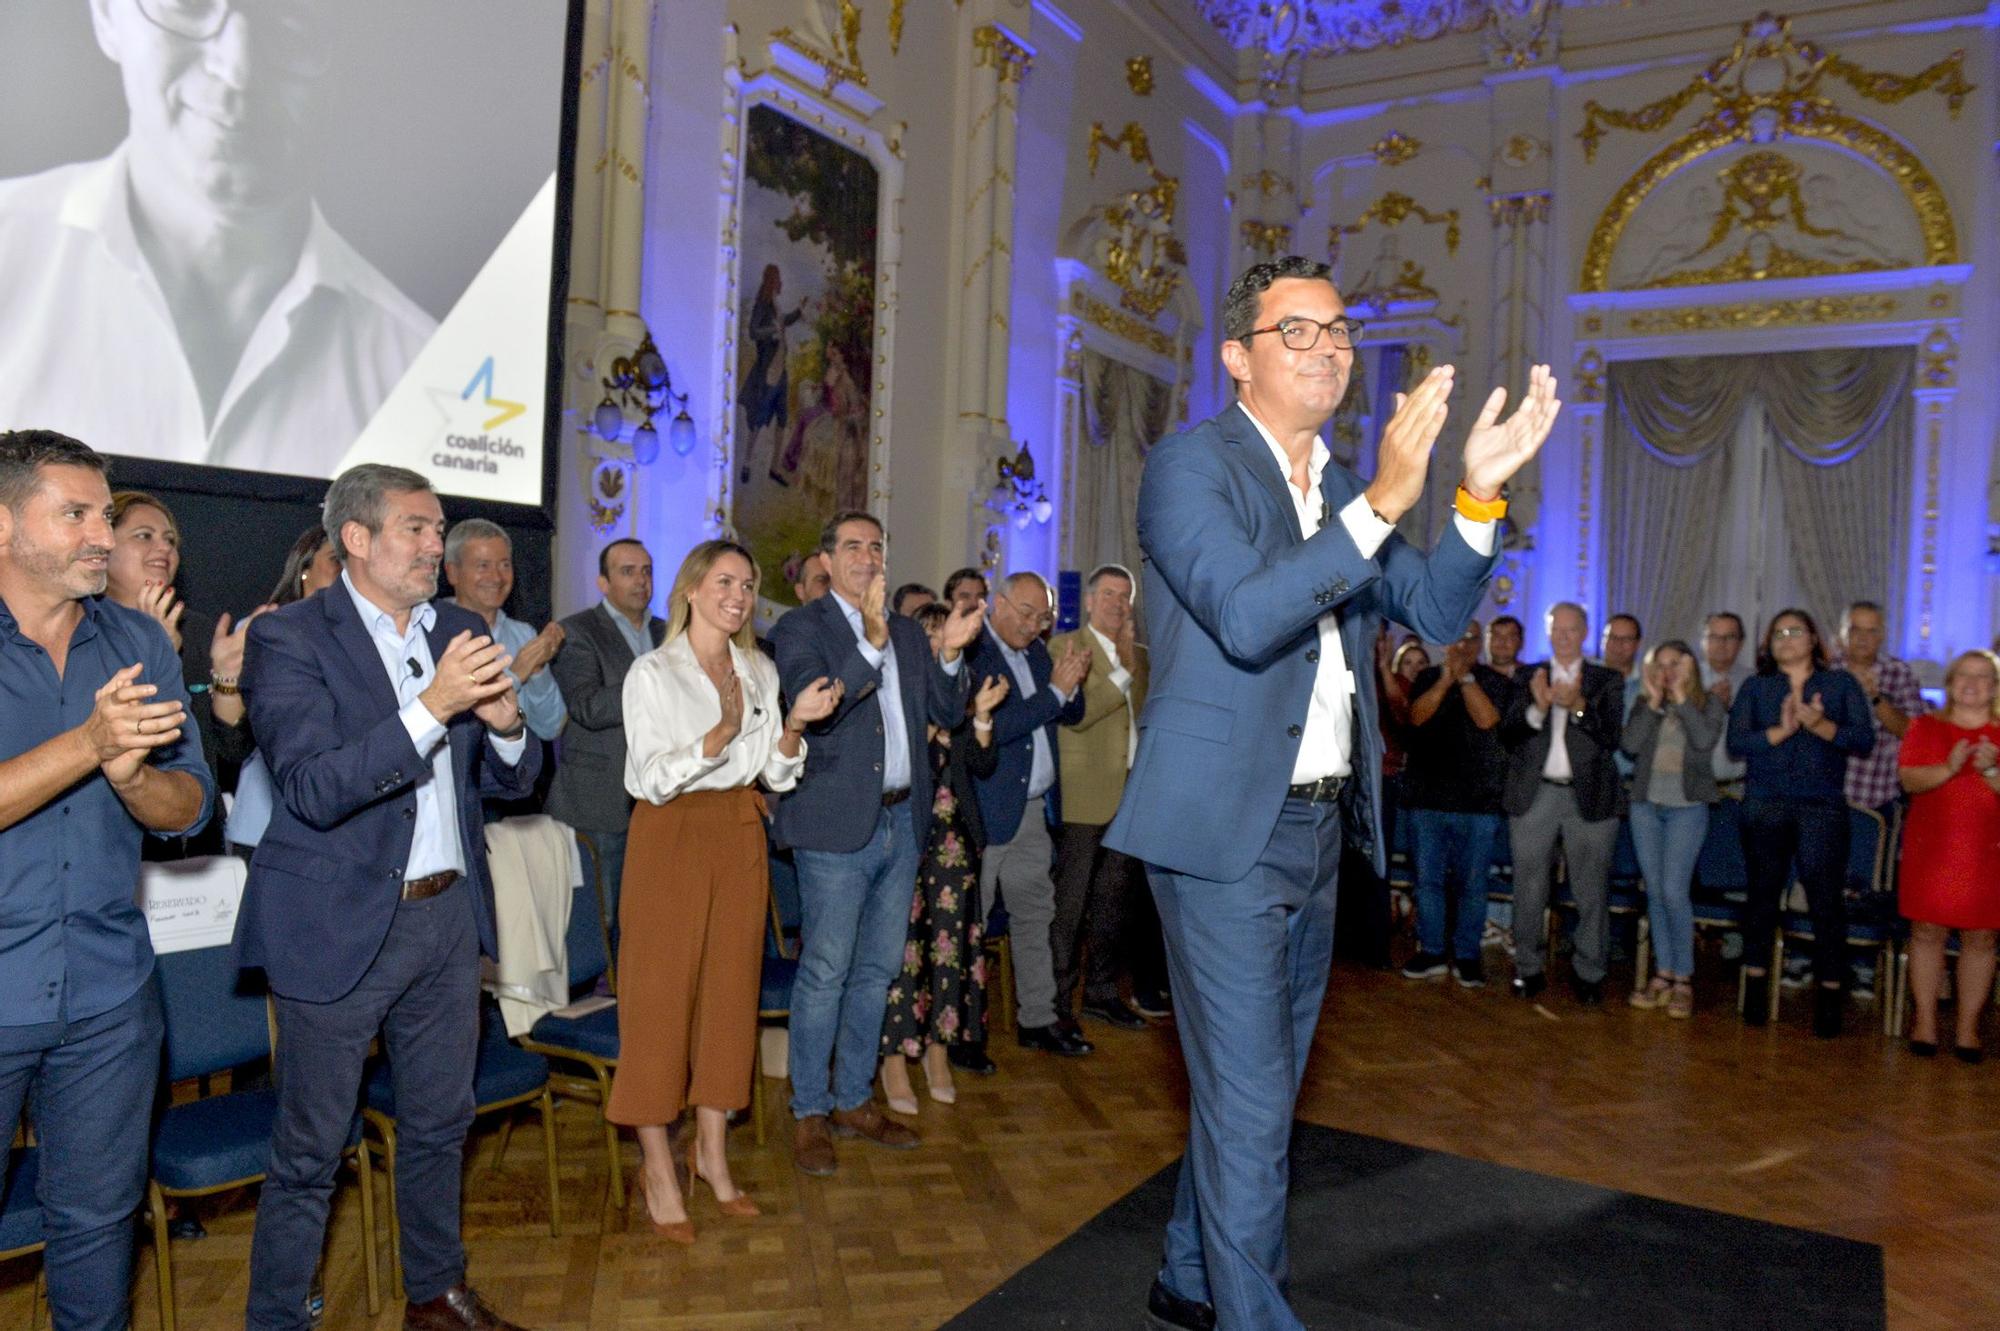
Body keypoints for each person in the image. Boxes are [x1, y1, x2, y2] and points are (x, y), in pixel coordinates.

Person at [1102, 256, 1558, 1331]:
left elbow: (1437, 609)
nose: (1326, 348)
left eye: (1338, 331)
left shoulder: (1346, 488)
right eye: (1295, 331)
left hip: (1318, 829)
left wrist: (1475, 492)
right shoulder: (1188, 469)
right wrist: (1386, 501)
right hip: (1217, 832)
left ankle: (1185, 1270)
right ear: (1236, 357)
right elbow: (1250, 615)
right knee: (1255, 1103)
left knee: (1250, 1091)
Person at [235, 463, 539, 1331]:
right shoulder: (290, 638)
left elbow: (513, 781)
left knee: (442, 1121)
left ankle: (435, 1294)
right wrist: (434, 707)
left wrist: (512, 728)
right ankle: (278, 1317)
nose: (435, 547)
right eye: (416, 529)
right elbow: (313, 787)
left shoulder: (454, 624)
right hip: (337, 922)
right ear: (357, 539)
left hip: (445, 918)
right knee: (311, 1151)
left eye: (439, 530)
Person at [0, 2, 435, 475]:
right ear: (106, 13)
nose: (238, 70)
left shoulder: (424, 376)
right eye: (190, 3)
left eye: (290, 22)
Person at [0, 429, 213, 1331]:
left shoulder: (136, 641)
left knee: (96, 1230)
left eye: (107, 515)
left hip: (109, 996)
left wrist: (132, 779)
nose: (101, 536)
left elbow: (190, 805)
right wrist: (89, 746)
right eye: (75, 514)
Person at [610, 540, 839, 1239]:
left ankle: (712, 1154)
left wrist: (794, 724)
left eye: (747, 583)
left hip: (739, 829)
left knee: (728, 1000)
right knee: (659, 1001)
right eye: (724, 581)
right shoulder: (652, 672)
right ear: (690, 589)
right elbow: (648, 776)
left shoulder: (759, 668)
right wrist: (718, 735)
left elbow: (775, 773)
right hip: (669, 834)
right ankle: (656, 1164)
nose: (738, 594)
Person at [770, 512, 983, 1177]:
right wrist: (869, 642)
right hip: (835, 828)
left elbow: (945, 712)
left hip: (902, 822)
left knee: (876, 972)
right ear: (828, 561)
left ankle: (853, 1097)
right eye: (852, 546)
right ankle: (809, 1109)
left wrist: (948, 653)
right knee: (827, 970)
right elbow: (819, 703)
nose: (866, 555)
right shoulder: (802, 626)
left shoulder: (908, 634)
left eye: (875, 546)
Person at [880, 603, 1008, 1112]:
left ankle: (938, 1050)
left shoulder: (962, 688)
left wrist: (979, 716)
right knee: (900, 949)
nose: (937, 647)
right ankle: (893, 1058)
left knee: (950, 949)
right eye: (930, 638)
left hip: (956, 844)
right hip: (907, 836)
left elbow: (982, 762)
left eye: (943, 638)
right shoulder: (903, 692)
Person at [1726, 608, 1873, 1037]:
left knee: (1826, 902)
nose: (1786, 639)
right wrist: (1784, 730)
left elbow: (1862, 740)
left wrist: (1821, 725)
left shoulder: (1839, 684)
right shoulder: (1757, 687)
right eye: (1778, 634)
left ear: (1813, 639)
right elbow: (1737, 743)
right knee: (1762, 898)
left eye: (1795, 632)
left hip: (1821, 807)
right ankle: (1754, 991)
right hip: (1765, 803)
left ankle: (1829, 997)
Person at [966, 573, 1093, 1051]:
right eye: (1024, 612)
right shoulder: (976, 654)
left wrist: (1071, 684)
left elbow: (1069, 715)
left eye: (1041, 617)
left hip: (1033, 808)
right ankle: (961, 1028)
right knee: (967, 922)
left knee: (1034, 915)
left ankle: (1037, 1020)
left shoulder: (1038, 652)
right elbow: (994, 728)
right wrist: (1055, 694)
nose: (1032, 625)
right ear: (997, 603)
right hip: (986, 810)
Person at [103, 490, 259, 852]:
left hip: (197, 844)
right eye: (144, 536)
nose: (164, 549)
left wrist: (227, 677)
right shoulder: (82, 630)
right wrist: (158, 654)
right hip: (121, 843)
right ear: (105, 546)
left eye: (170, 540)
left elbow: (232, 752)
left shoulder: (199, 631)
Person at [1051, 564, 1165, 1027]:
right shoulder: (1065, 647)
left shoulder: (1141, 655)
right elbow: (1078, 716)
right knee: (1070, 905)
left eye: (1125, 597)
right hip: (1083, 797)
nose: (1119, 605)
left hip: (1130, 798)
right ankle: (1056, 1002)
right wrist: (1120, 671)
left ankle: (1099, 993)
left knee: (1114, 905)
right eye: (1111, 595)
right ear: (1091, 601)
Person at [1498, 603, 1626, 1004]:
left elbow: (1611, 737)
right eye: (1558, 629)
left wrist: (1577, 707)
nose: (1565, 636)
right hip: (1535, 795)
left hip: (1589, 797)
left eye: (1573, 629)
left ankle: (1590, 973)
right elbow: (1508, 732)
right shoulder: (1527, 675)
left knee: (1591, 890)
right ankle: (1528, 969)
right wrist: (1539, 706)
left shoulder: (1606, 679)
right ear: (1549, 632)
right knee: (1529, 886)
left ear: (1585, 633)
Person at [543, 539, 664, 940]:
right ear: (603, 582)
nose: (641, 580)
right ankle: (603, 993)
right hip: (600, 795)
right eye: (628, 571)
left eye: (646, 571)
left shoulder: (669, 632)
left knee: (649, 909)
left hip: (661, 792)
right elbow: (589, 708)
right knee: (602, 915)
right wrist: (655, 683)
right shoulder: (576, 632)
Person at [1896, 650, 2000, 1060]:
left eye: (1982, 677)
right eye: (1963, 676)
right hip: (1933, 847)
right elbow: (1908, 780)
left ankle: (1968, 1028)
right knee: (1926, 931)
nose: (1971, 684)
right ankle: (1924, 1020)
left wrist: (1989, 771)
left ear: (1994, 688)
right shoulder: (1925, 727)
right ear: (1951, 682)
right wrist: (1951, 766)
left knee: (1981, 937)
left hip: (1986, 850)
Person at [1402, 623, 1514, 988]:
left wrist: (1465, 680)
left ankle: (1467, 956)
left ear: (1480, 644)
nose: (1463, 644)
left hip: (1477, 804)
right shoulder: (1427, 678)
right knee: (1428, 882)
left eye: (1471, 638)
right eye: (1458, 637)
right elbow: (1416, 717)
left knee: (1472, 885)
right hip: (1427, 800)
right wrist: (1445, 681)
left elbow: (1487, 720)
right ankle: (1432, 951)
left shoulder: (1495, 681)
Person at [1621, 640, 1727, 1017]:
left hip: (1687, 809)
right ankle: (1662, 973)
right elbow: (1630, 746)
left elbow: (1702, 740)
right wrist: (1651, 703)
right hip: (1646, 807)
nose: (1666, 672)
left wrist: (1681, 698)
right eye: (1659, 665)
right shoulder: (1645, 705)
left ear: (1690, 669)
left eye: (1675, 664)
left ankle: (1684, 978)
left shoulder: (1708, 703)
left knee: (1673, 890)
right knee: (1655, 891)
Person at [443, 519, 566, 743]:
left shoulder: (523, 634)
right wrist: (516, 674)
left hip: (511, 773)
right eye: (483, 566)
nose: (497, 577)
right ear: (452, 573)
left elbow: (551, 727)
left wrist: (537, 668)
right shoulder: (430, 629)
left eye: (505, 565)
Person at [1834, 601, 1924, 818]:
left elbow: (1913, 733)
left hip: (1876, 797)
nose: (1863, 638)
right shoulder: (1826, 670)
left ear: (1882, 635)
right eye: (1855, 629)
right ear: (1842, 633)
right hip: (1826, 795)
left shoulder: (1898, 672)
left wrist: (1875, 698)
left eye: (1871, 631)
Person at [1699, 612, 1753, 794]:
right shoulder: (1684, 678)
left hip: (1737, 789)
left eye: (1729, 637)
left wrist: (1733, 709)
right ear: (1703, 641)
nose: (1721, 644)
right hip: (1691, 792)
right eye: (1714, 637)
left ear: (1741, 643)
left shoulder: (1754, 681)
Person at [1485, 614, 1524, 680]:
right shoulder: (1471, 677)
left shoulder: (1534, 679)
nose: (1502, 641)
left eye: (1510, 637)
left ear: (1521, 643)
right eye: (1496, 636)